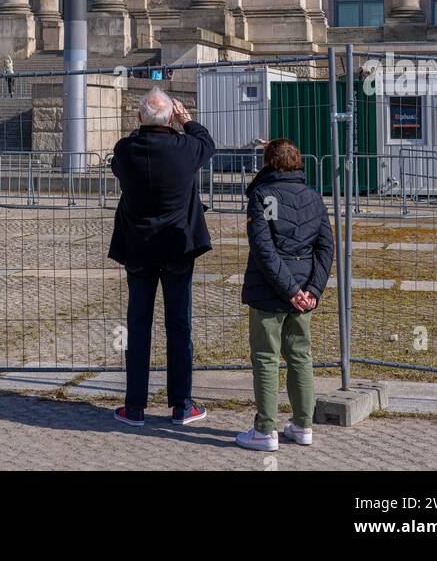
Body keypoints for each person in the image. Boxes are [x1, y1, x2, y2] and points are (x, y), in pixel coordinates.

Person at [108, 88, 215, 428]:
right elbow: (207, 143)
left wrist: (147, 122)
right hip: (177, 249)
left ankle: (135, 407)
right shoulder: (186, 149)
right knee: (179, 326)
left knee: (138, 328)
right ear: (171, 118)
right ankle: (181, 405)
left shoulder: (125, 151)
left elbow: (120, 163)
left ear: (139, 118)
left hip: (139, 250)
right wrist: (186, 120)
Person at [235, 137, 334, 452]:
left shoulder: (263, 196)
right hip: (303, 290)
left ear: (268, 163)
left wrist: (291, 290)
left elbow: (264, 249)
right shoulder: (314, 197)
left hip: (271, 292)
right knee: (300, 356)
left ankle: (265, 430)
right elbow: (326, 247)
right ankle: (303, 424)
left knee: (265, 358)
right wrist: (312, 290)